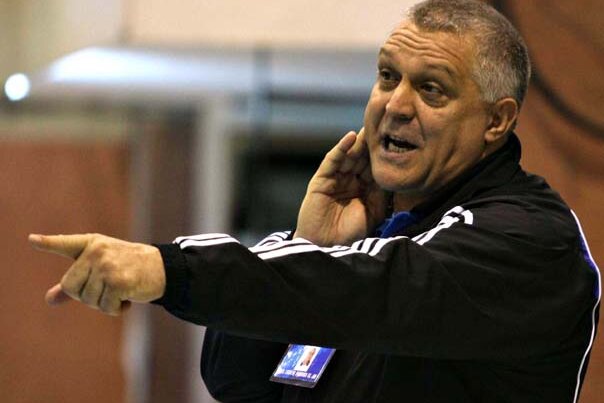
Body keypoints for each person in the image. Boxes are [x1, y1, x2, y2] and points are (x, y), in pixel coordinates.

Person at [30, 0, 600, 402]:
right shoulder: (375, 238)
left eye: (431, 89)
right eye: (387, 77)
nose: (395, 105)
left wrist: (168, 268)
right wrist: (310, 244)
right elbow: (240, 384)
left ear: (497, 121)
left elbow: (378, 288)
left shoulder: (529, 239)